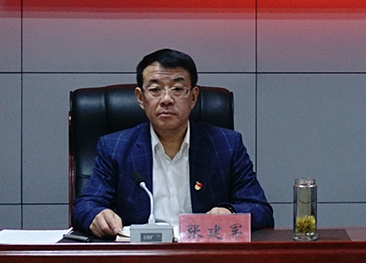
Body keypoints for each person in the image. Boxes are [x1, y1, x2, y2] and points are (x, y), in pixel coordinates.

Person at [72, 48, 273, 237]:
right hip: (141, 255)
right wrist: (97, 215)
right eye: (155, 89)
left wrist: (230, 212)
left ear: (193, 97)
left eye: (177, 89)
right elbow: (85, 206)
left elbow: (260, 210)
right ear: (140, 98)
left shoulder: (227, 145)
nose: (166, 99)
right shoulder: (115, 148)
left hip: (202, 255)